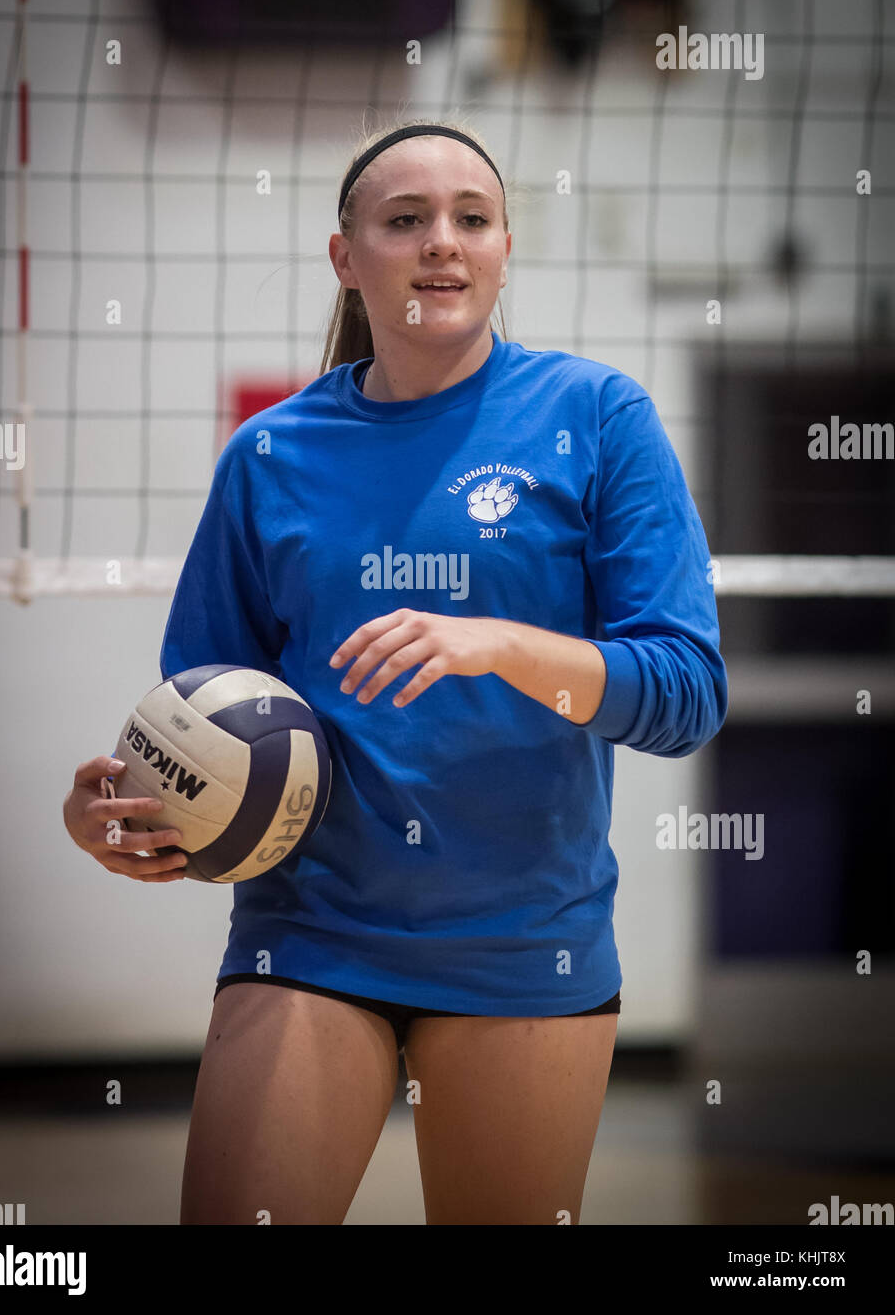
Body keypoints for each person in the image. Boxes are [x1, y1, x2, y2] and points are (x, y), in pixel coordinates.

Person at [63, 115, 728, 1225]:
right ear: (347, 256)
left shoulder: (597, 418)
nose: (441, 243)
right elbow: (201, 724)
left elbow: (686, 693)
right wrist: (129, 817)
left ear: (507, 248)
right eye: (405, 219)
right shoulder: (271, 456)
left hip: (526, 943)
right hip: (312, 930)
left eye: (472, 218)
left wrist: (502, 644)